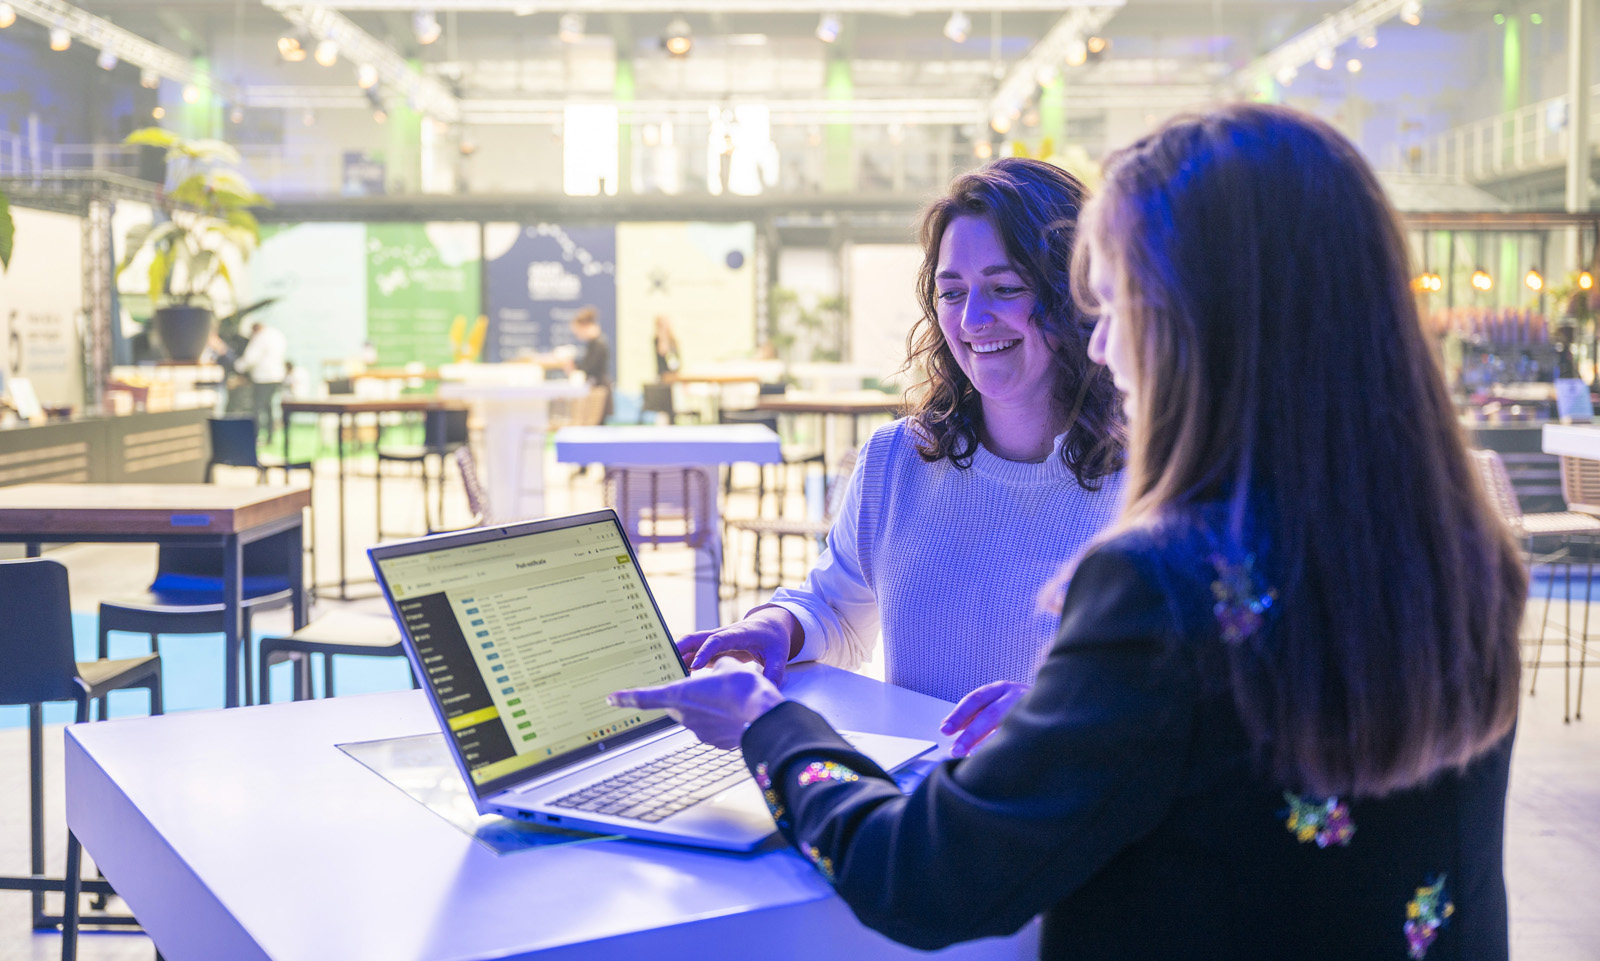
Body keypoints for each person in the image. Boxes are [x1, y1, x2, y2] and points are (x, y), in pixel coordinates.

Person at [612, 105, 1525, 959]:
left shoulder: (1162, 582)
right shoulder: (1461, 549)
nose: (1099, 343)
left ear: (1206, 323)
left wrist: (770, 725)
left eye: (1117, 304)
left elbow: (920, 876)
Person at [676, 157, 1125, 755]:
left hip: (1059, 798)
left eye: (1006, 288)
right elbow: (836, 610)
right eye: (952, 293)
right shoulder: (899, 459)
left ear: (1078, 294)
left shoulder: (1149, 483)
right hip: (922, 794)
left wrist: (1065, 716)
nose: (973, 320)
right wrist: (774, 627)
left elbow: (1196, 698)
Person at [232, 320, 287, 442]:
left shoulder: (260, 337)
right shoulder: (277, 334)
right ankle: (270, 436)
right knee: (268, 407)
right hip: (276, 377)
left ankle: (255, 436)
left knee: (257, 407)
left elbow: (250, 358)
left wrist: (237, 366)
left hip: (263, 378)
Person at [567, 305, 613, 422]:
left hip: (599, 392)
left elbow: (590, 368)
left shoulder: (598, 344)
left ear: (585, 326)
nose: (578, 336)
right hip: (597, 390)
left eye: (578, 332)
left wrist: (573, 367)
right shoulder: (594, 343)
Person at [653, 315, 682, 380]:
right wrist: (663, 338)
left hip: (674, 373)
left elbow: (676, 360)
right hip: (662, 375)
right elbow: (662, 351)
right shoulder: (657, 340)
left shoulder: (673, 341)